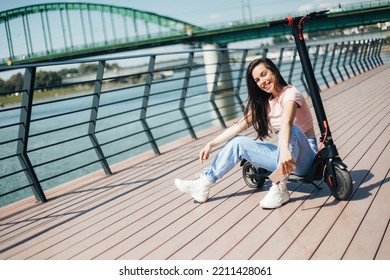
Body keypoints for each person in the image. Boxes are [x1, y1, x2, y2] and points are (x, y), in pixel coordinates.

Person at [174, 58, 318, 209]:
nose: (262, 81)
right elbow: (238, 126)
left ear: (273, 71)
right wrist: (211, 144)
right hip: (284, 153)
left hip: (306, 158)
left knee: (291, 130)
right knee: (238, 142)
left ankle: (279, 187)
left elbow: (287, 122)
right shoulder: (264, 102)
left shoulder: (290, 93)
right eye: (257, 79)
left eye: (264, 74)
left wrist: (285, 150)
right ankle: (204, 184)